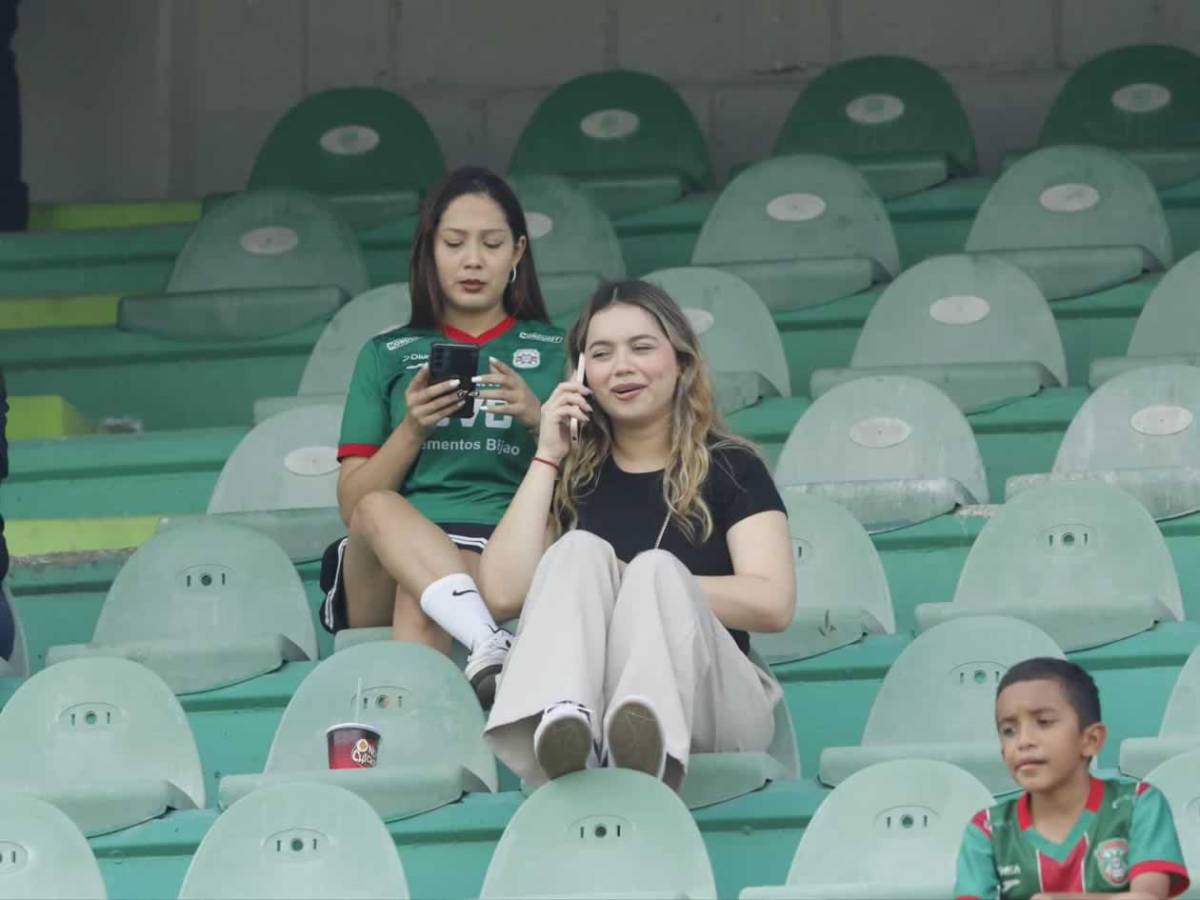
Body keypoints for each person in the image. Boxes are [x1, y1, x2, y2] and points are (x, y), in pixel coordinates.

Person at [479, 279, 795, 789]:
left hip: (716, 706)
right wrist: (548, 453)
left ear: (680, 361)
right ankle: (567, 723)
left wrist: (640, 580)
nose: (622, 366)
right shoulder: (573, 477)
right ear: (583, 375)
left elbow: (774, 603)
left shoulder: (733, 467)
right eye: (601, 354)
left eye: (641, 347)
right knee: (577, 551)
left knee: (655, 570)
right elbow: (502, 591)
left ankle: (641, 727)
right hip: (595, 702)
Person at [322, 166, 566, 707]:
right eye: (454, 243)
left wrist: (535, 417)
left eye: (492, 243)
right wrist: (412, 428)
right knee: (381, 507)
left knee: (424, 596)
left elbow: (593, 486)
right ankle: (487, 641)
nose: (473, 260)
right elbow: (353, 506)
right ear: (429, 250)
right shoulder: (385, 354)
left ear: (518, 252)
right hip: (386, 556)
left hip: (507, 547)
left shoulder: (558, 349)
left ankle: (421, 742)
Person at [954, 657, 1190, 900]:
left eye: (1043, 722)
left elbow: (1147, 898)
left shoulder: (1139, 803)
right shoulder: (987, 829)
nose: (1023, 741)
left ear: (1091, 740)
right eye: (1009, 731)